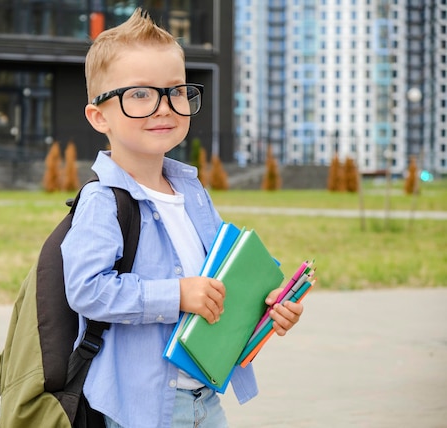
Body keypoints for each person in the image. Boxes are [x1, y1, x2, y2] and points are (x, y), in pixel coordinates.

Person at [61, 9, 303, 428]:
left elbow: (215, 282)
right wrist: (175, 295)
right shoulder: (104, 201)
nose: (164, 107)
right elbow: (86, 290)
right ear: (99, 116)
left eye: (175, 91)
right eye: (139, 94)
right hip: (140, 407)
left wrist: (264, 313)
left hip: (204, 399)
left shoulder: (192, 192)